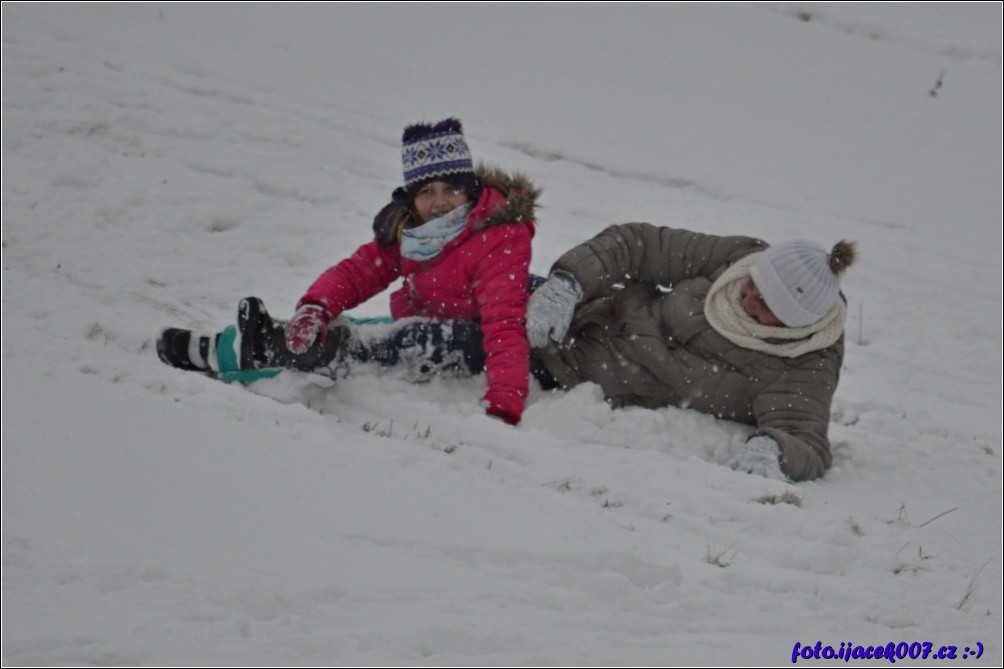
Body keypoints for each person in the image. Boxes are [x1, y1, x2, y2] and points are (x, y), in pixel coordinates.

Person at [157, 118, 540, 426]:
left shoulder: (499, 236)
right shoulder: (417, 233)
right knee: (347, 326)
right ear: (412, 198)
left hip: (487, 337)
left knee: (381, 345)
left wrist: (504, 405)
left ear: (469, 189)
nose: (439, 203)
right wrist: (315, 307)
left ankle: (255, 353)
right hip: (443, 318)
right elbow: (359, 271)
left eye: (450, 189)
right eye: (426, 192)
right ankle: (236, 340)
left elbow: (504, 325)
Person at [525, 223, 857, 482]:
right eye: (754, 282)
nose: (748, 298)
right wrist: (568, 285)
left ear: (793, 322)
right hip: (579, 309)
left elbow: (804, 438)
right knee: (485, 280)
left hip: (570, 365)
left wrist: (774, 449)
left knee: (474, 339)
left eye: (765, 303)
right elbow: (638, 245)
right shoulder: (737, 257)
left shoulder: (805, 361)